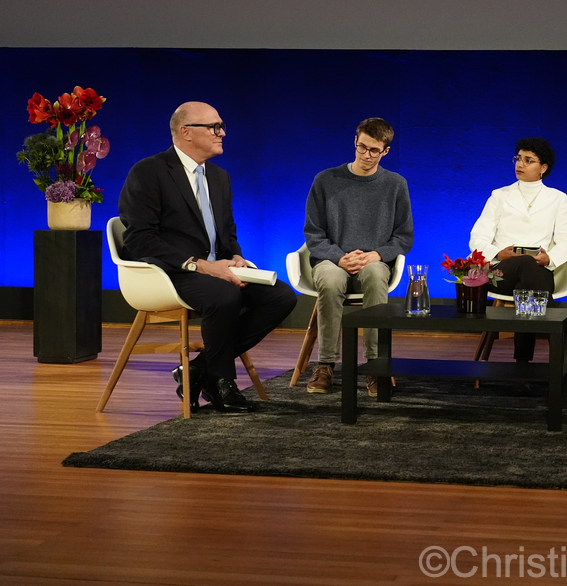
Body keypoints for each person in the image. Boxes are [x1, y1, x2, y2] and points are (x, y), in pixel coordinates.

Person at [118, 102, 297, 413]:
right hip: (173, 272)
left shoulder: (219, 177)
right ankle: (221, 381)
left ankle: (198, 369)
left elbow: (226, 232)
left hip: (217, 269)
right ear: (186, 132)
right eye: (214, 127)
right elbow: (139, 238)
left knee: (281, 296)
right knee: (224, 295)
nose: (222, 133)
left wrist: (236, 256)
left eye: (221, 126)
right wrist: (200, 265)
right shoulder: (149, 172)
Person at [302, 118, 414, 396]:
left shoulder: (395, 184)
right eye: (361, 147)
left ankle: (375, 364)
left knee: (376, 275)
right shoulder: (325, 180)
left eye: (374, 150)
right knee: (330, 280)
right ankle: (326, 364)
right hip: (332, 259)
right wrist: (339, 257)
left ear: (385, 151)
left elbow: (404, 237)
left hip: (373, 261)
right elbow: (313, 234)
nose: (366, 155)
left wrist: (377, 254)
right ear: (355, 141)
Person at [469, 137, 567, 364]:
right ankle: (561, 336)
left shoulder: (558, 198)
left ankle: (522, 366)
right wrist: (498, 253)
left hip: (537, 272)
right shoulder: (500, 196)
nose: (520, 164)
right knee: (526, 265)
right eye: (518, 158)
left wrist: (549, 258)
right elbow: (477, 238)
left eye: (528, 160)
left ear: (543, 168)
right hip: (500, 273)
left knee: (527, 285)